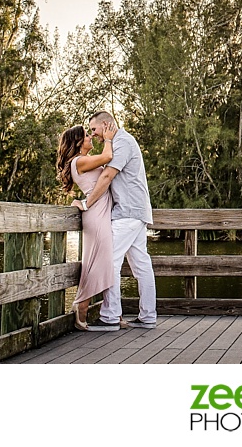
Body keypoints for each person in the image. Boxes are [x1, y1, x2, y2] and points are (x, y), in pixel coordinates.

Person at [73, 110, 157, 330]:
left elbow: (108, 175)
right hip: (135, 211)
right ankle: (148, 316)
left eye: (94, 129)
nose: (94, 134)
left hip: (128, 212)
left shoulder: (122, 143)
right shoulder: (121, 142)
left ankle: (110, 317)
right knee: (141, 264)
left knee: (110, 261)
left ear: (106, 125)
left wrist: (86, 203)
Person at [55, 121, 118, 330]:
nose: (91, 137)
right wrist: (108, 139)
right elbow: (108, 157)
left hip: (101, 211)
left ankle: (97, 310)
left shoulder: (84, 160)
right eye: (86, 134)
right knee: (96, 262)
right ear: (78, 142)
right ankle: (81, 309)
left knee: (102, 262)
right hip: (96, 214)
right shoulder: (79, 161)